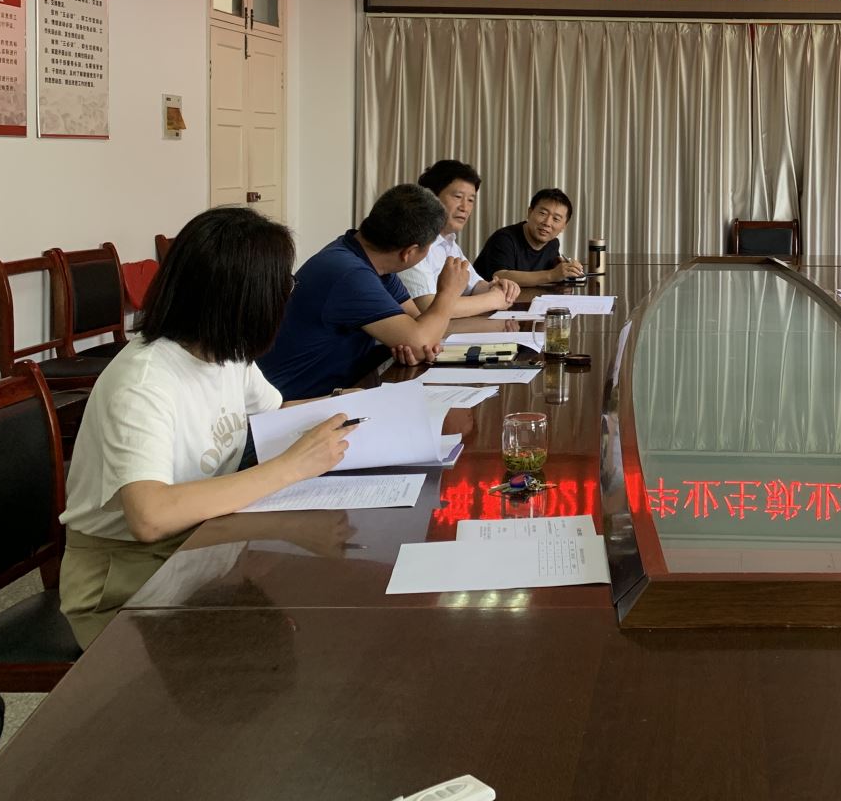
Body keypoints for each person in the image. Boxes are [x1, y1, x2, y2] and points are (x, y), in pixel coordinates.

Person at [58, 207, 354, 647]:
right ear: (245, 299)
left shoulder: (225, 352)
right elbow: (150, 517)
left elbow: (277, 411)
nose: (287, 297)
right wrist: (292, 467)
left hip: (201, 550)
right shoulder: (144, 382)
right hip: (128, 580)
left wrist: (350, 404)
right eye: (284, 285)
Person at [258, 183, 467, 401]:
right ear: (409, 252)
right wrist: (449, 293)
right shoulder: (349, 272)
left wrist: (416, 341)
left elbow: (420, 327)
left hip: (338, 392)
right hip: (291, 405)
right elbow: (422, 340)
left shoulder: (368, 260)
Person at [399, 158, 521, 316]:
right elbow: (428, 306)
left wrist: (499, 287)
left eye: (470, 200)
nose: (465, 207)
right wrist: (493, 300)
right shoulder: (412, 239)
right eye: (458, 197)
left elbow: (475, 286)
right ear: (431, 197)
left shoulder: (448, 242)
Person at [474, 187, 584, 287]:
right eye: (543, 213)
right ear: (530, 212)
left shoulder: (552, 243)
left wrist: (565, 269)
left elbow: (550, 272)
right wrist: (552, 274)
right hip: (485, 300)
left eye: (556, 219)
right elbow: (500, 276)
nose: (547, 223)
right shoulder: (504, 239)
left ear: (564, 226)